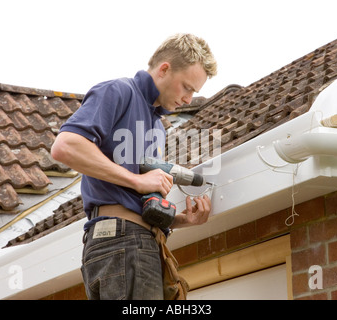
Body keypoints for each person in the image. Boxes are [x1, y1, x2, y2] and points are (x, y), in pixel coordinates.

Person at [51, 33, 217, 300]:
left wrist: (180, 221)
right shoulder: (118, 91)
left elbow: (132, 201)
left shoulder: (157, 126)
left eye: (194, 92)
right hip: (121, 242)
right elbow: (65, 146)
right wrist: (137, 181)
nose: (188, 99)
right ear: (164, 69)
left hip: (138, 243)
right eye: (186, 87)